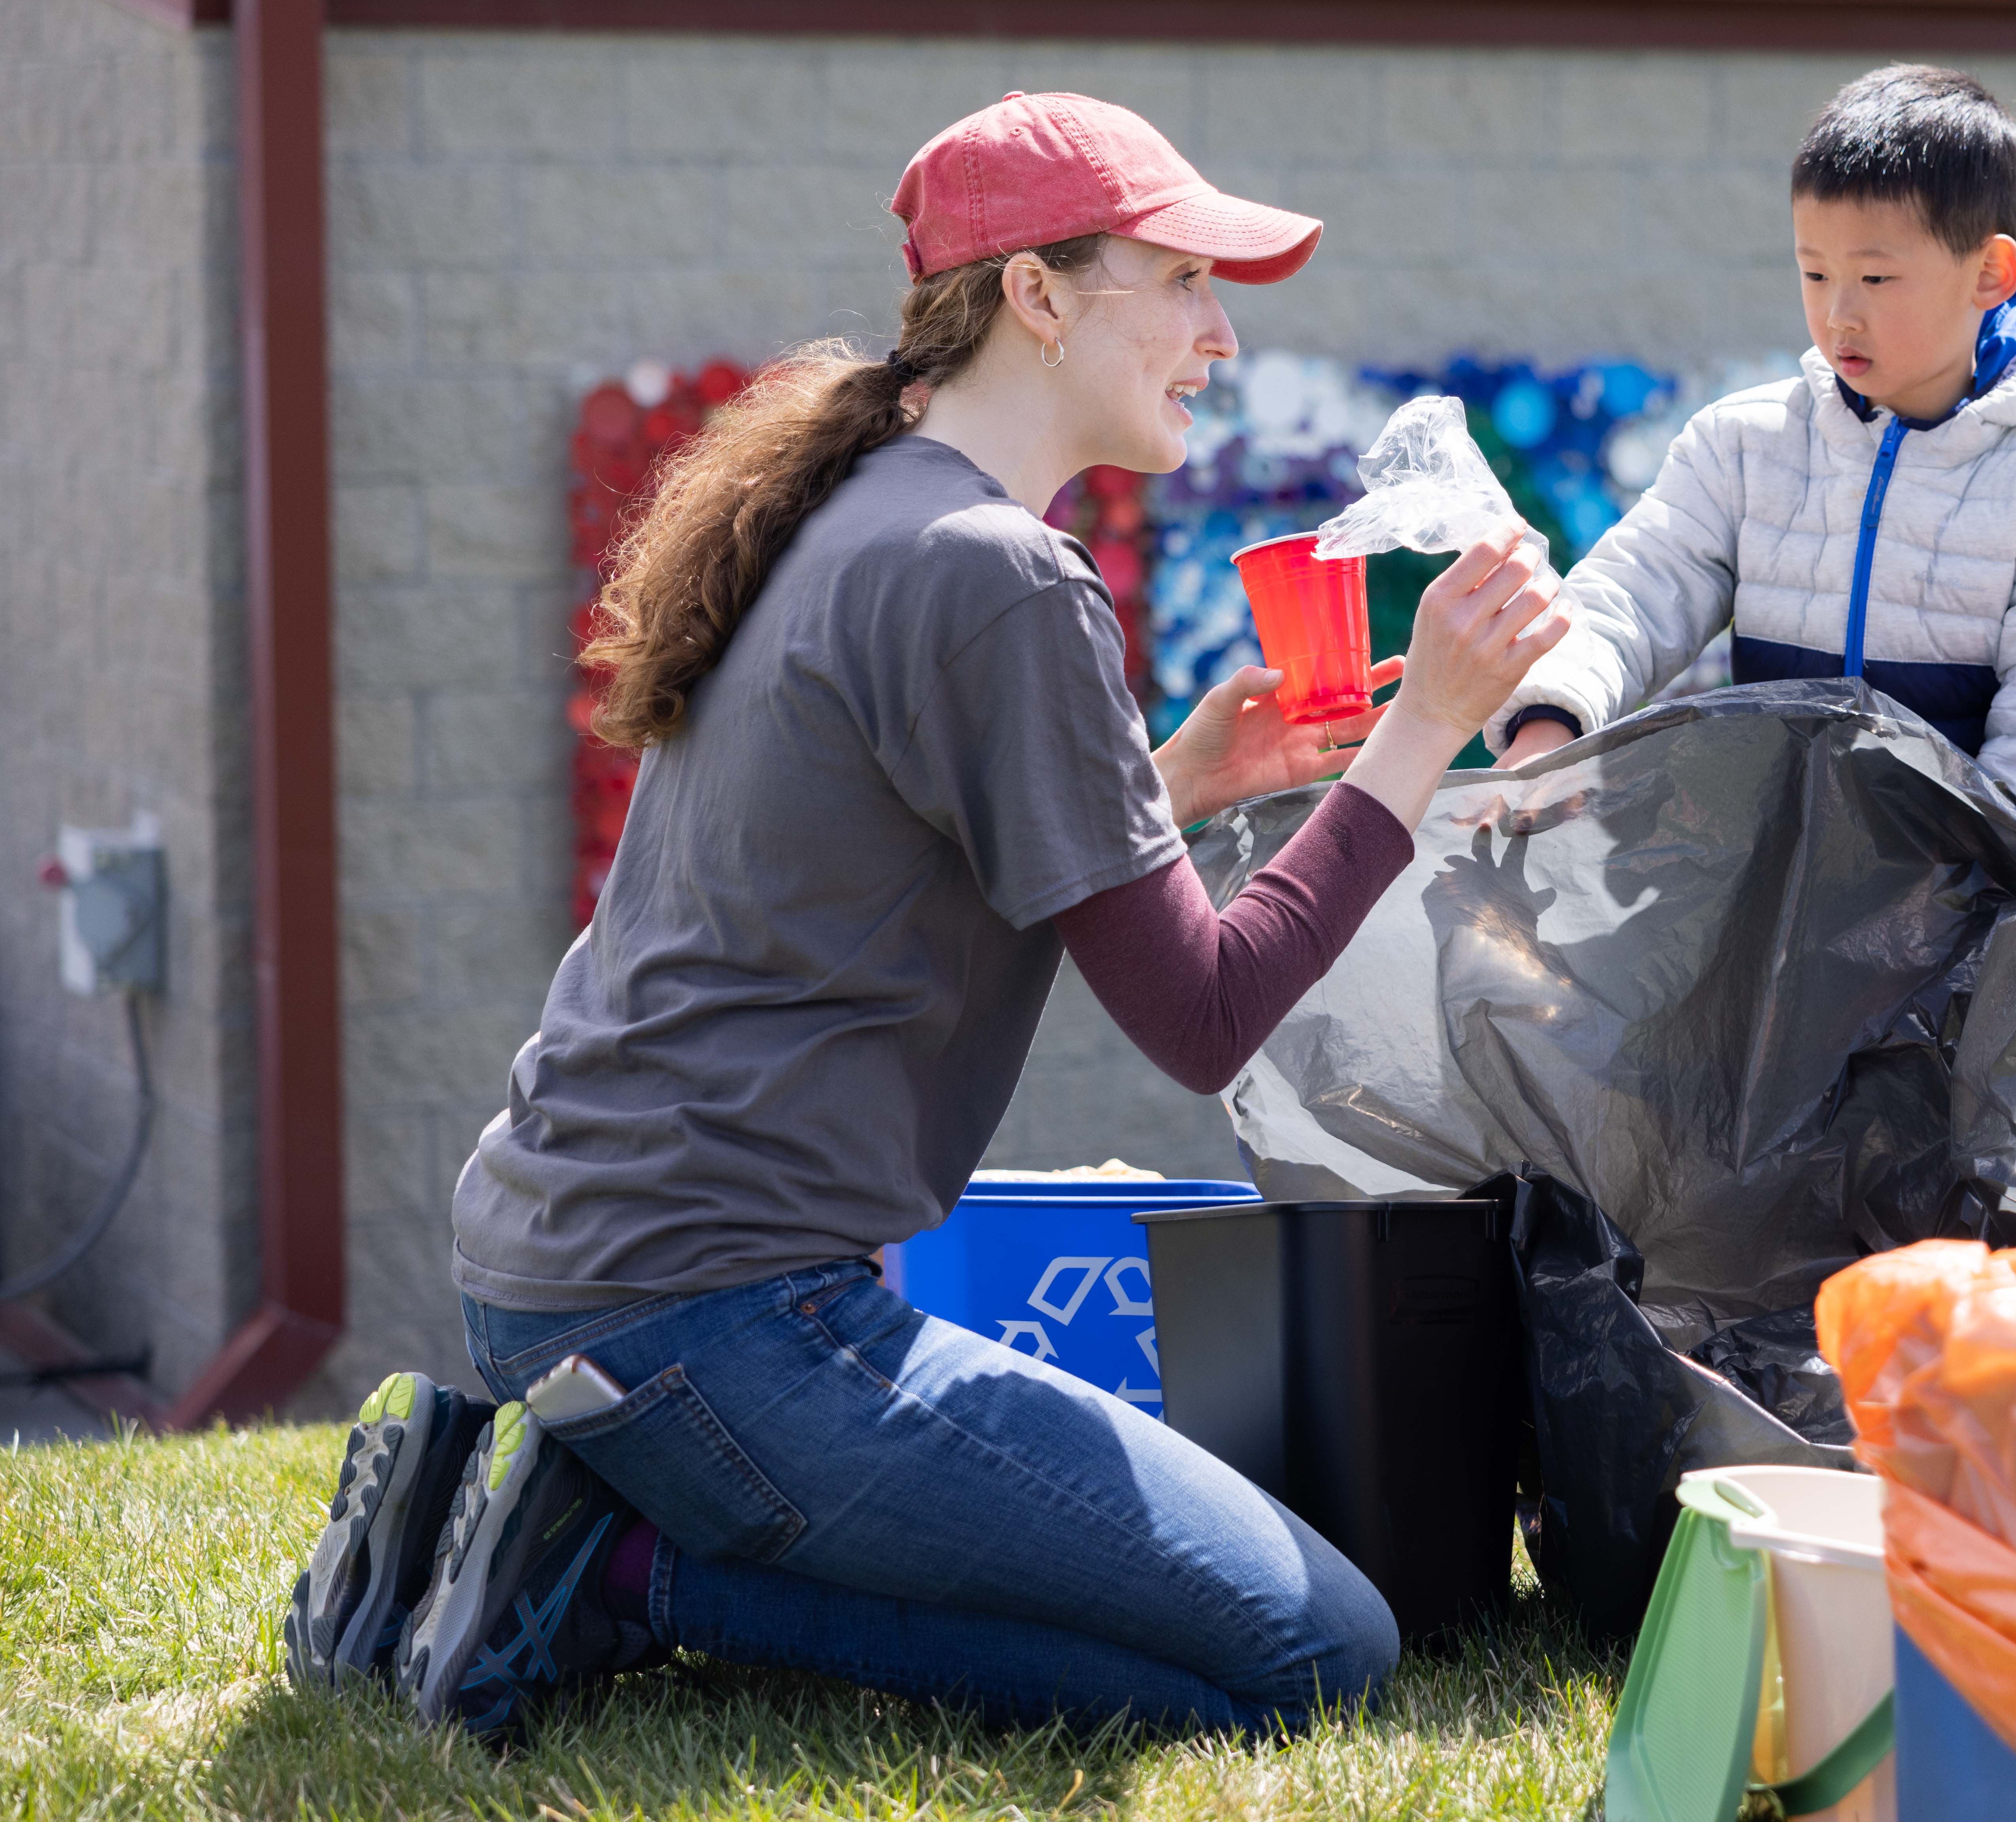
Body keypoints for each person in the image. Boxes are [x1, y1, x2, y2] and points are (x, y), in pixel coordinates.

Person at [280, 92, 1566, 1741]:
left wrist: (1166, 778)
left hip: (559, 1270)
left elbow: (868, 857)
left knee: (1233, 1629)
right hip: (724, 1318)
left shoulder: (864, 506)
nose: (1220, 337)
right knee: (1313, 1649)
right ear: (1035, 293)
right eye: (1177, 283)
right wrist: (1422, 730)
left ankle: (559, 1506)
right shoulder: (997, 576)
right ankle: (601, 1564)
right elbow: (1204, 1019)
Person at [1490, 64, 2016, 839]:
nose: (1839, 314)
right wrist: (1548, 718)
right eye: (1814, 271)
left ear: (1990, 274)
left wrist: (1944, 924)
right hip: (1747, 905)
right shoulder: (1741, 447)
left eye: (1875, 276)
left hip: (1960, 935)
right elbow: (1629, 595)